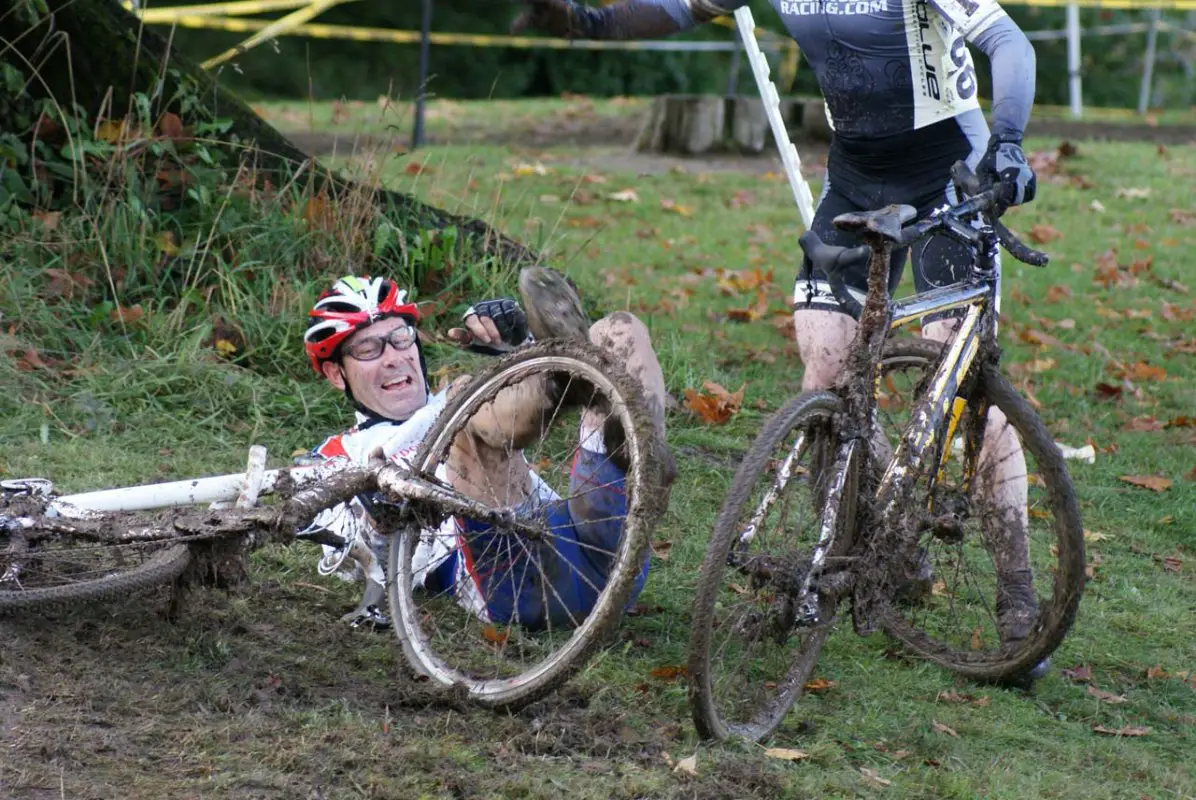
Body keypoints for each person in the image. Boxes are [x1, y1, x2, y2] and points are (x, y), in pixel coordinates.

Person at [512, 0, 1046, 681]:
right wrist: (583, 21)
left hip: (951, 170)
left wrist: (1008, 142)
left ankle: (1019, 594)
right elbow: (679, 10)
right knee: (825, 371)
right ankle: (887, 543)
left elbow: (1009, 42)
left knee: (954, 381)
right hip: (857, 175)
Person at [296, 269, 671, 631]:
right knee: (463, 402)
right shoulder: (334, 456)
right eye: (368, 348)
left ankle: (634, 444)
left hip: (599, 547)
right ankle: (568, 374)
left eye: (399, 337)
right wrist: (380, 520)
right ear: (335, 374)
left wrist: (517, 343)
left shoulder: (454, 398)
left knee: (619, 330)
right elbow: (347, 559)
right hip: (518, 579)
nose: (393, 356)